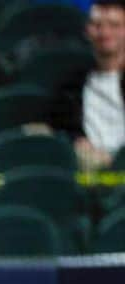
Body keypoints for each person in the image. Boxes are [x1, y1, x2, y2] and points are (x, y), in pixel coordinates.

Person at [49, 0, 125, 170]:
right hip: (88, 169)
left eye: (114, 25)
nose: (104, 32)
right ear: (87, 31)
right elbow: (61, 129)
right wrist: (77, 142)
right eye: (97, 25)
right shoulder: (70, 87)